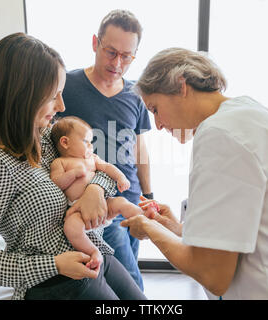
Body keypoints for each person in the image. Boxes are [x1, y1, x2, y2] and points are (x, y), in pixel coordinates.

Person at [121, 47, 268, 299]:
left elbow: (212, 273)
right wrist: (177, 229)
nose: (158, 124)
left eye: (155, 109)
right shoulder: (245, 115)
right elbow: (244, 228)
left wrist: (150, 229)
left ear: (181, 86)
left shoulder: (220, 134)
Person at [0, 32, 146, 300]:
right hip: (56, 284)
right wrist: (52, 264)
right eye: (53, 96)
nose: (62, 106)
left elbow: (97, 164)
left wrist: (95, 192)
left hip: (97, 257)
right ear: (22, 96)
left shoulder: (47, 137)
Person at [59, 9, 152, 291]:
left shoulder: (136, 95)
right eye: (111, 52)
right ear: (94, 43)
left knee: (126, 274)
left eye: (127, 56)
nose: (118, 63)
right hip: (93, 205)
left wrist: (148, 195)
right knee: (131, 283)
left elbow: (139, 149)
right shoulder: (68, 86)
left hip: (130, 197)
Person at [50, 116, 156, 271]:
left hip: (103, 202)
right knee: (71, 228)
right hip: (77, 209)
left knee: (121, 202)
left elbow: (107, 167)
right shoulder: (60, 163)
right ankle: (93, 251)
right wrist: (72, 174)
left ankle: (145, 216)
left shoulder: (92, 158)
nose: (91, 146)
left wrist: (121, 177)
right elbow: (56, 183)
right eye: (86, 142)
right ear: (65, 142)